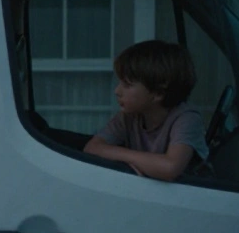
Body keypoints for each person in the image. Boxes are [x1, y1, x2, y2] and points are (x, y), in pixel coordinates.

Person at [83, 40, 208, 181]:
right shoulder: (129, 116)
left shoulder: (187, 118)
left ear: (158, 93)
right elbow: (92, 148)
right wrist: (136, 163)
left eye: (127, 84)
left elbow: (170, 167)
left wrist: (127, 158)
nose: (117, 91)